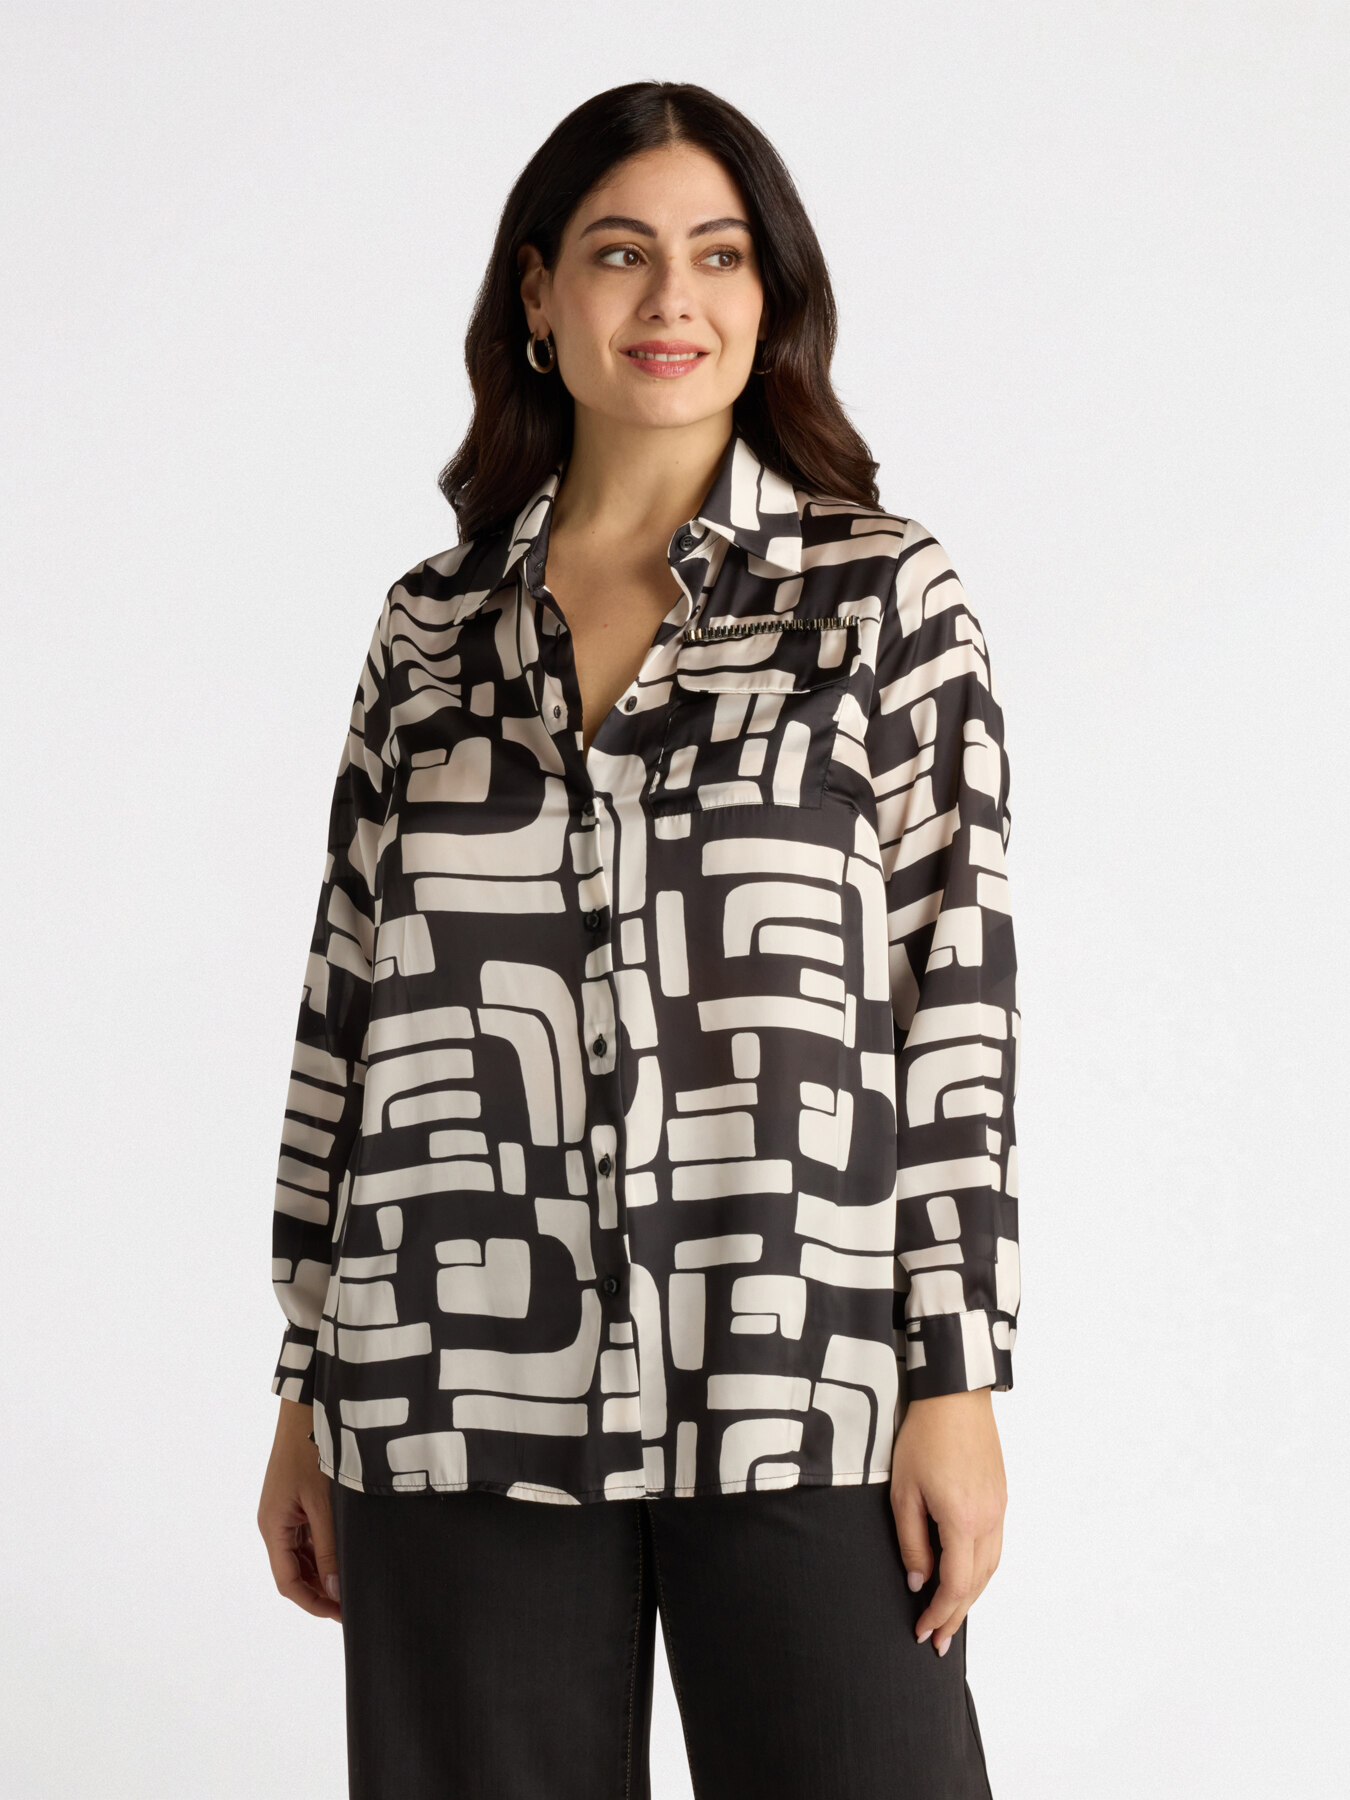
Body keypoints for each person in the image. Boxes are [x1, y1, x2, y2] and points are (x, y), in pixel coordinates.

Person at [257, 80, 1018, 1800]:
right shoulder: (429, 631)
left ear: (770, 296)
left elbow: (954, 1006)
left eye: (717, 256)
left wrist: (955, 1380)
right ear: (537, 293)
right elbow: (344, 1014)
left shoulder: (880, 599)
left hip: (803, 1369)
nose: (671, 298)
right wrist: (303, 1383)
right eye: (619, 254)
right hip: (447, 1380)